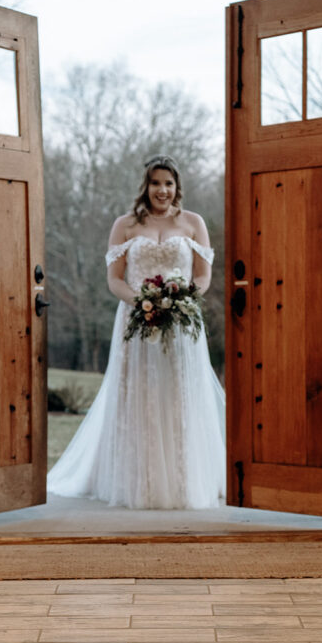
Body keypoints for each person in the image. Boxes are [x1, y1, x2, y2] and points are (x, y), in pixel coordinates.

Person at [47, 154, 226, 509]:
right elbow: (114, 279)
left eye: (168, 183)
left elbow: (203, 276)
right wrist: (143, 302)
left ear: (177, 187)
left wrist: (181, 298)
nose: (162, 190)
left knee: (179, 393)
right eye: (155, 183)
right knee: (139, 394)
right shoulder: (125, 225)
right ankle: (140, 483)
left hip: (180, 323)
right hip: (136, 321)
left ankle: (184, 482)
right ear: (145, 186)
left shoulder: (193, 223)